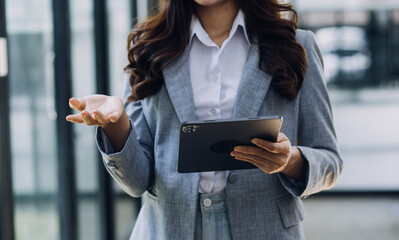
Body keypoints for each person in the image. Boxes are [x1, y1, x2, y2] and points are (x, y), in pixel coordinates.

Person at [66, 0, 343, 239]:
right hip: (168, 229)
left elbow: (329, 161)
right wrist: (116, 125)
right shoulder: (148, 47)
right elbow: (137, 181)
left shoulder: (295, 45)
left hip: (265, 228)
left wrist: (290, 160)